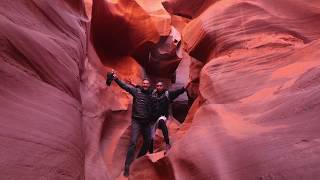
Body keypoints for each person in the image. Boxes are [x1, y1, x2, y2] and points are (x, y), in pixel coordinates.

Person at [107, 71, 153, 177]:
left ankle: (138, 161)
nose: (145, 85)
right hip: (136, 121)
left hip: (146, 123)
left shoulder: (152, 94)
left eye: (147, 84)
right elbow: (124, 86)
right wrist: (116, 78)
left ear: (149, 85)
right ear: (143, 84)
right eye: (144, 83)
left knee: (147, 141)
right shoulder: (136, 91)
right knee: (132, 143)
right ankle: (127, 167)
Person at [149, 81, 190, 155]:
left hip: (162, 116)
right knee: (151, 136)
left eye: (160, 85)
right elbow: (144, 90)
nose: (159, 87)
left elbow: (178, 92)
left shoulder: (167, 94)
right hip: (153, 117)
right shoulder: (152, 94)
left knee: (161, 121)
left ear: (163, 87)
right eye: (157, 86)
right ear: (156, 87)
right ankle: (150, 152)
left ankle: (167, 144)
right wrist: (135, 85)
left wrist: (186, 87)